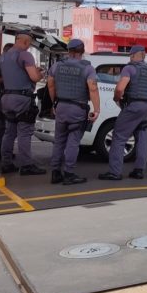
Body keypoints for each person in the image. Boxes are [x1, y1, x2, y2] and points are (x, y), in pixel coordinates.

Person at [98, 45, 147, 181]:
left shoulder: (129, 68)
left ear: (133, 55)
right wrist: (146, 99)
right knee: (142, 138)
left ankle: (115, 172)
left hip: (133, 106)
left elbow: (120, 89)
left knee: (119, 136)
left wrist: (117, 99)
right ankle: (139, 171)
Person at [47, 39, 100, 184]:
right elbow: (93, 88)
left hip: (61, 107)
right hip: (77, 109)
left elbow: (50, 85)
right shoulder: (87, 68)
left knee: (59, 141)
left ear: (68, 51)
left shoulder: (57, 66)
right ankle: (69, 174)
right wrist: (97, 109)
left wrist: (54, 103)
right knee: (73, 142)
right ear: (82, 51)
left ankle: (55, 173)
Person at [0, 30, 46, 175]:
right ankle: (26, 165)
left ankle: (6, 163)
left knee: (9, 132)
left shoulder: (4, 56)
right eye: (30, 43)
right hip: (22, 98)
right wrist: (40, 73)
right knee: (25, 133)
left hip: (7, 98)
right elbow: (34, 78)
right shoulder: (25, 54)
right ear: (26, 41)